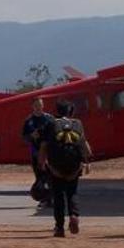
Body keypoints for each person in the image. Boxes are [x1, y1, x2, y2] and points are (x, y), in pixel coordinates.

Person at [39, 101, 92, 237]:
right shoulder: (78, 123)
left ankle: (59, 227)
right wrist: (87, 161)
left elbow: (44, 146)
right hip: (74, 166)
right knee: (72, 192)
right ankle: (74, 215)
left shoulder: (51, 124)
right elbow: (84, 143)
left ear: (57, 111)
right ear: (71, 111)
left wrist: (42, 163)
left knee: (58, 196)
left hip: (56, 166)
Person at [21, 97, 54, 209]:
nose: (38, 107)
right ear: (32, 106)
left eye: (40, 104)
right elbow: (24, 137)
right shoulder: (29, 121)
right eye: (36, 105)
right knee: (40, 177)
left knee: (51, 176)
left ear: (43, 105)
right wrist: (31, 136)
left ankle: (51, 198)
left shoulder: (49, 118)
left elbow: (56, 133)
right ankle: (43, 198)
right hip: (35, 152)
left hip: (49, 153)